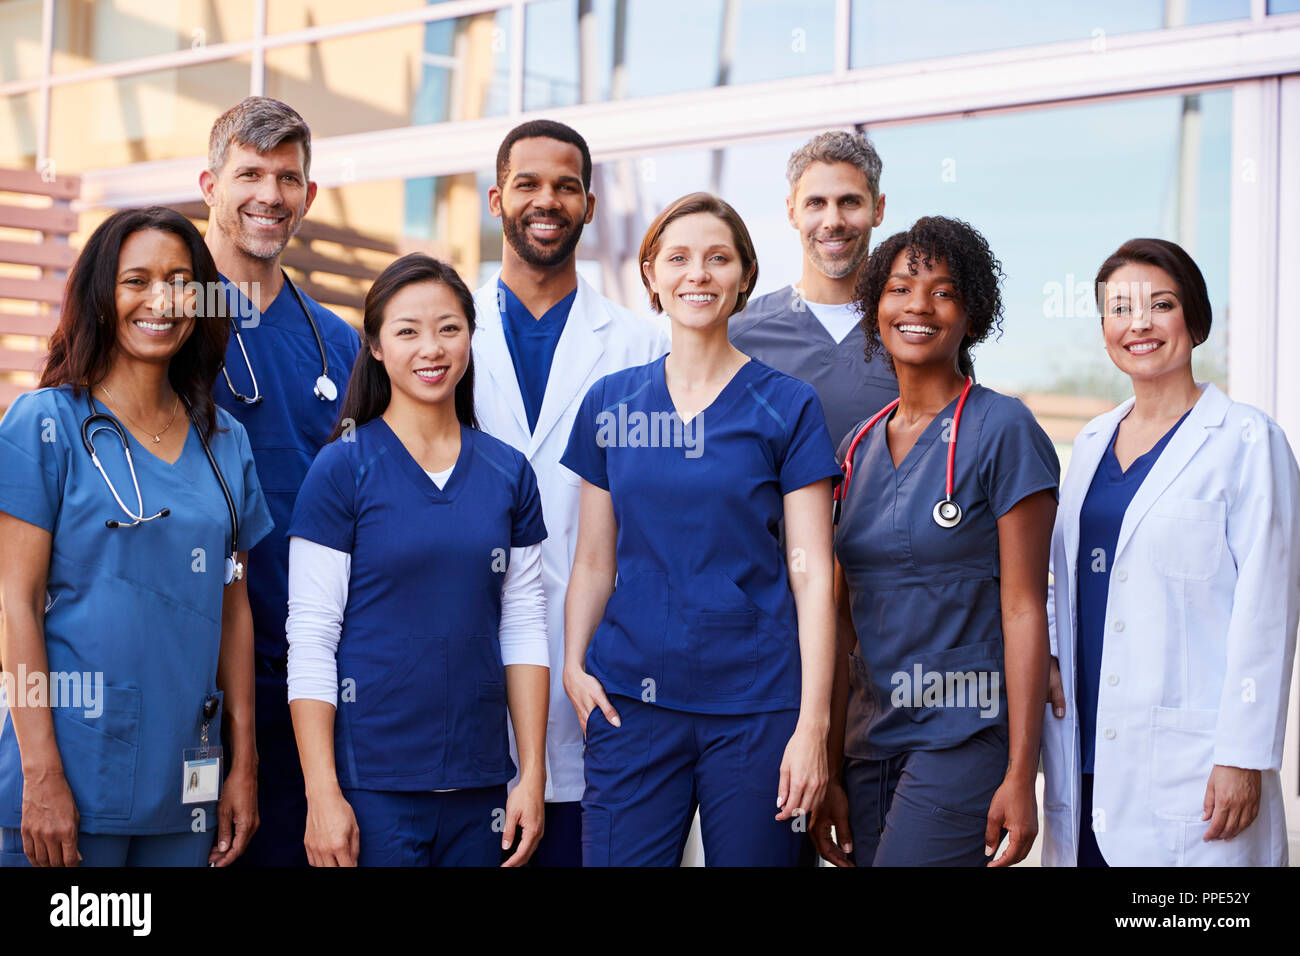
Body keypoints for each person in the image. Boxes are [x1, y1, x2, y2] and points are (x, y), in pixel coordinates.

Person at [562, 193, 841, 866]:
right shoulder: (611, 403)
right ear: (651, 275)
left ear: (745, 274)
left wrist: (813, 725)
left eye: (719, 259)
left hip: (757, 709)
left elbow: (812, 577)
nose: (699, 275)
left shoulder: (788, 406)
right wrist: (573, 665)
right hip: (633, 703)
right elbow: (595, 561)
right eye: (679, 259)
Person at [0, 207, 273, 867]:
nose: (162, 300)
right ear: (101, 296)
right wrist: (41, 776)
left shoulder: (224, 442)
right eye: (136, 281)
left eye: (182, 280)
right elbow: (13, 604)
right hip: (68, 772)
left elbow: (233, 603)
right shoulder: (46, 425)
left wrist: (244, 763)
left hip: (187, 775)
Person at [1040, 238, 1300, 867]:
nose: (1140, 324)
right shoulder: (1094, 440)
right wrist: (1048, 654)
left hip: (1197, 765)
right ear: (1104, 326)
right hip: (1085, 751)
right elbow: (1060, 577)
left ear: (1194, 320)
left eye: (1161, 304)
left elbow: (1269, 608)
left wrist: (1243, 753)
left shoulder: (1246, 440)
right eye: (1120, 307)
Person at [285, 254, 550, 866]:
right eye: (407, 331)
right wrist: (322, 793)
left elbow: (524, 625)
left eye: (448, 328)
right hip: (372, 787)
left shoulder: (508, 472)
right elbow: (312, 639)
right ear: (375, 346)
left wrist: (530, 774)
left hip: (481, 787)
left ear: (470, 336)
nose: (431, 348)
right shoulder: (343, 467)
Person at [813, 216, 1058, 867]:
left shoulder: (1003, 430)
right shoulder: (856, 447)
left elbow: (1025, 606)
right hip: (871, 740)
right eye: (899, 288)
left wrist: (1021, 771)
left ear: (970, 317)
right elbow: (840, 620)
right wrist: (831, 765)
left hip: (963, 733)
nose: (918, 305)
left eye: (943, 292)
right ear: (875, 309)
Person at [471, 119, 669, 866]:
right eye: (527, 183)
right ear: (497, 198)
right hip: (463, 668)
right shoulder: (442, 331)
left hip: (602, 678)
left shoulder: (642, 346)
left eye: (565, 186)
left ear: (588, 205)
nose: (545, 200)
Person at [201, 96, 362, 866]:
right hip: (194, 663)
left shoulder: (340, 341)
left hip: (308, 672)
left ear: (310, 195)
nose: (270, 194)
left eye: (288, 177)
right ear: (209, 184)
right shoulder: (162, 321)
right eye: (250, 173)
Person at [730, 130, 897, 446]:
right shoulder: (738, 337)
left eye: (849, 201)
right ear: (792, 211)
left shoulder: (914, 329)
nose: (832, 220)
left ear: (878, 208)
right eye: (816, 203)